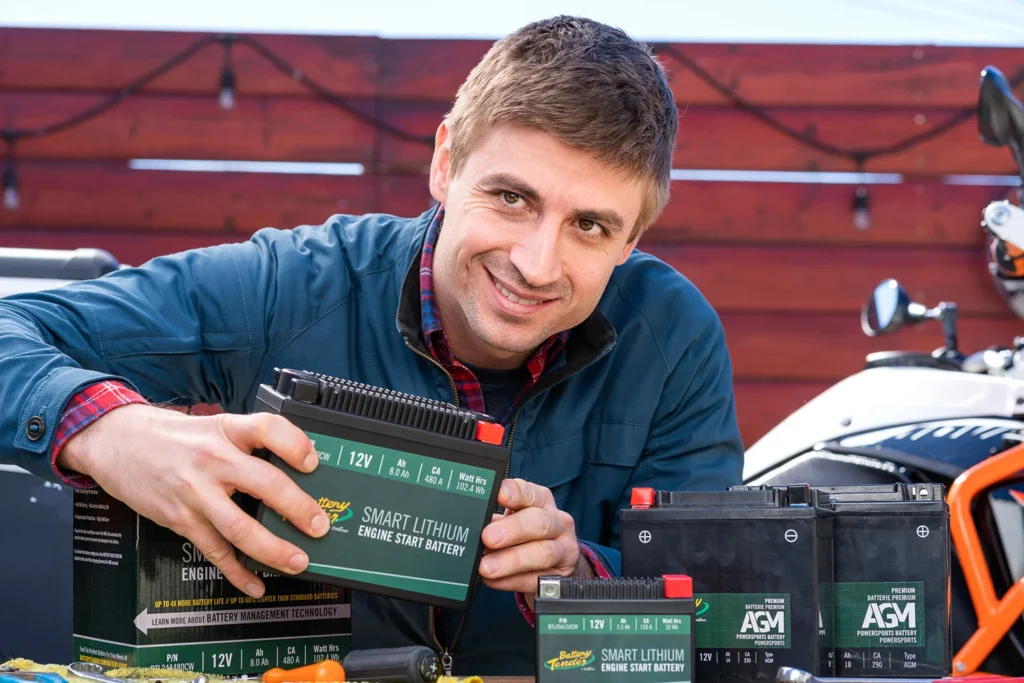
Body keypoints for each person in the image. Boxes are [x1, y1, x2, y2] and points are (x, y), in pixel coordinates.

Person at [0, 15, 743, 676]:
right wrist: (113, 431)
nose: (537, 264)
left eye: (590, 226)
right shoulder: (291, 286)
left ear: (632, 238)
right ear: (446, 163)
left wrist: (579, 577)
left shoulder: (673, 338)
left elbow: (723, 620)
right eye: (512, 197)